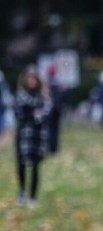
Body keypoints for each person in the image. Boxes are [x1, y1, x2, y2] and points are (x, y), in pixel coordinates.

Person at [13, 65, 52, 208]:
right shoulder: (20, 96)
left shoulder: (43, 96)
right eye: (28, 78)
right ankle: (22, 191)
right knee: (22, 165)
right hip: (23, 136)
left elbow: (46, 113)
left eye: (33, 78)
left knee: (36, 166)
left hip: (38, 137)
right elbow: (20, 115)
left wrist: (34, 115)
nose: (31, 81)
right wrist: (34, 115)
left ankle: (33, 197)